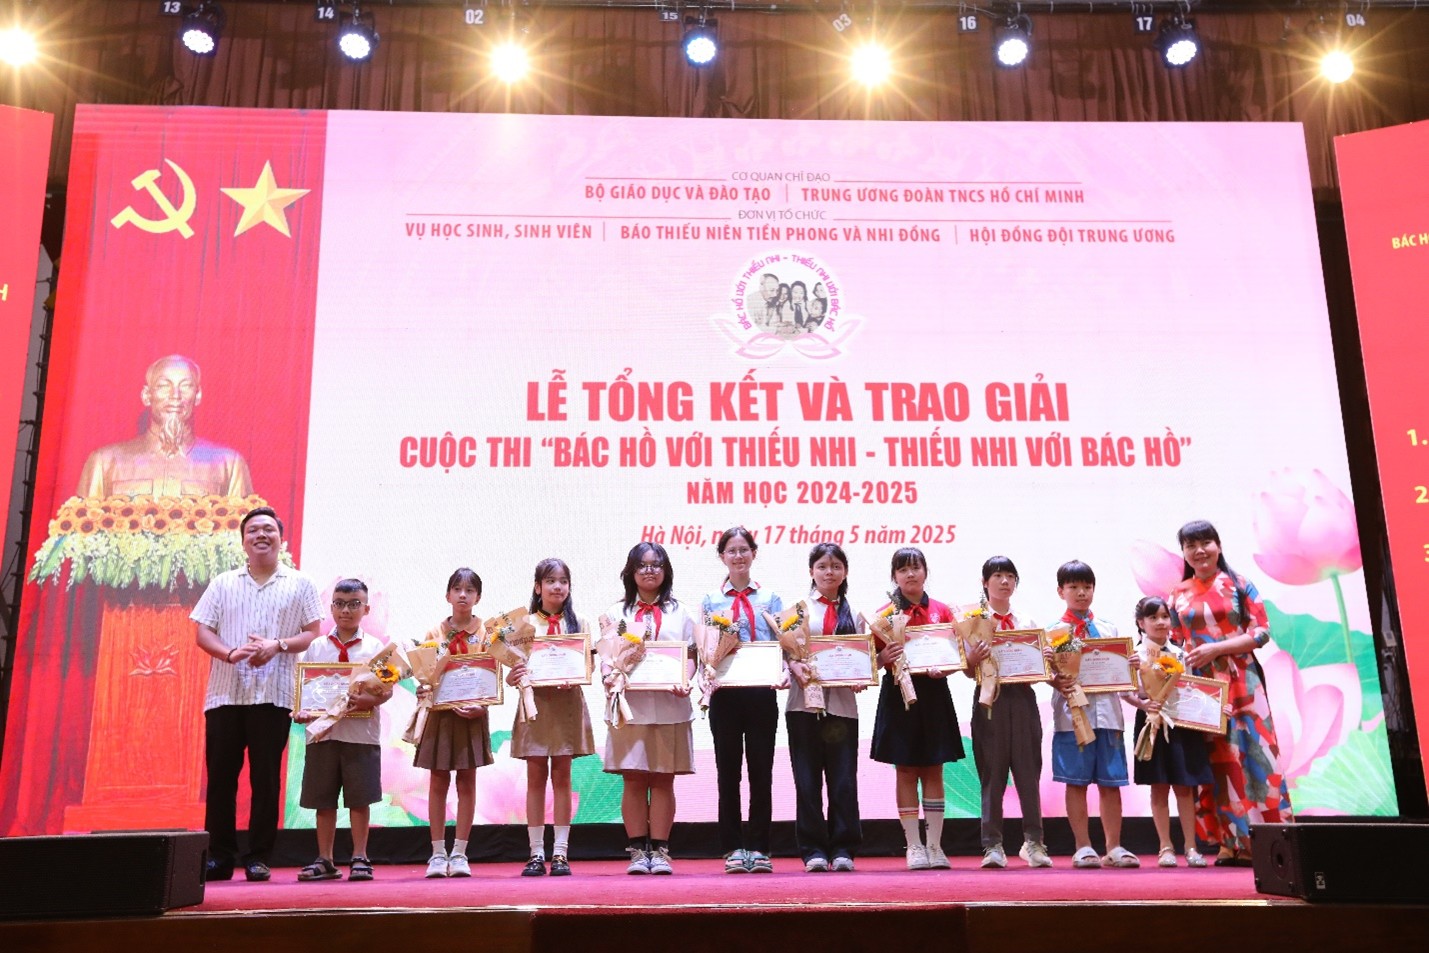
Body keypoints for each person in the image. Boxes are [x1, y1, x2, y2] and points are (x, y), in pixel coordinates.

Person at [191, 506, 323, 881]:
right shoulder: (222, 583)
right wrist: (230, 653)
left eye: (268, 529)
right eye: (253, 530)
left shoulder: (300, 583)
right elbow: (202, 632)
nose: (261, 535)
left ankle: (259, 856)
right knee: (221, 779)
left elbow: (312, 632)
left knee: (265, 780)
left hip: (273, 695)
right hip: (225, 694)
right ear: (243, 541)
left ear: (281, 538)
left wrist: (277, 645)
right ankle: (219, 856)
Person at [1167, 520, 1292, 866]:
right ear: (1184, 553)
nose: (1199, 551)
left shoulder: (1239, 584)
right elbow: (1174, 642)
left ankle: (1267, 840)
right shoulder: (1178, 594)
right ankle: (1228, 842)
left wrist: (1217, 648)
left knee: (1256, 754)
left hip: (1243, 683)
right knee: (1216, 761)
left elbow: (1261, 633)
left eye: (1205, 543)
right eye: (1191, 545)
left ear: (1218, 546)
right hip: (1202, 687)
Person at [601, 542, 698, 875]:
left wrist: (686, 679)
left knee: (663, 780)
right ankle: (637, 852)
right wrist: (610, 677)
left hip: (671, 706)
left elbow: (692, 656)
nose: (649, 570)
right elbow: (607, 658)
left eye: (656, 564)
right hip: (630, 708)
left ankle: (660, 851)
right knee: (633, 779)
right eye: (642, 565)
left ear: (666, 570)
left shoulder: (681, 612)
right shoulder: (617, 614)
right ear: (630, 572)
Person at [869, 547, 964, 870]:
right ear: (894, 576)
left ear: (925, 571)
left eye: (916, 567)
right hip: (898, 695)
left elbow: (955, 655)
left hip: (934, 693)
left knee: (935, 768)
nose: (910, 574)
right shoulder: (883, 615)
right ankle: (913, 846)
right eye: (903, 569)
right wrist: (883, 658)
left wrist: (945, 668)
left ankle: (935, 846)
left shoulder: (943, 611)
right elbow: (872, 661)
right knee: (906, 770)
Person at [701, 527, 785, 874]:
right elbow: (707, 647)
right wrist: (706, 672)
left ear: (754, 553)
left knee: (761, 772)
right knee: (728, 773)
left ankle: (760, 847)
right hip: (726, 695)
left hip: (762, 692)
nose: (738, 556)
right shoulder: (710, 600)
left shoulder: (771, 598)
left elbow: (783, 642)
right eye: (731, 551)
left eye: (744, 550)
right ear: (722, 556)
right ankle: (733, 847)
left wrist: (782, 670)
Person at [292, 578, 385, 882]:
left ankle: (360, 856)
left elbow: (385, 690)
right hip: (323, 734)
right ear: (331, 607)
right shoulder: (317, 647)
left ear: (366, 608)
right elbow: (305, 689)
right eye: (340, 604)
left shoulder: (375, 648)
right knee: (323, 799)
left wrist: (370, 700)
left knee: (360, 798)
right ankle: (325, 860)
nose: (346, 610)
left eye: (354, 604)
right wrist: (301, 710)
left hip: (361, 735)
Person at [1049, 560, 1140, 869]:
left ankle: (1113, 847)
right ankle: (1083, 847)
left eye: (1087, 587)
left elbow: (1123, 675)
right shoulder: (1051, 633)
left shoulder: (1109, 630)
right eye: (1073, 587)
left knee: (1111, 782)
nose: (1081, 593)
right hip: (1072, 716)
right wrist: (1052, 675)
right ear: (1061, 591)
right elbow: (1046, 675)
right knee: (1075, 782)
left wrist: (1132, 667)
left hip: (1109, 716)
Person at [508, 558, 596, 877]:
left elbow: (589, 666)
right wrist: (514, 677)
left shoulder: (580, 622)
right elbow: (513, 670)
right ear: (538, 587)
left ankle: (560, 853)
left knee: (562, 777)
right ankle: (535, 853)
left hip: (566, 704)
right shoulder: (523, 624)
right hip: (535, 706)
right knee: (535, 778)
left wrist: (577, 674)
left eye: (563, 581)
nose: (557, 587)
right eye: (550, 581)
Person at [963, 556, 1052, 870]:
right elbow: (967, 671)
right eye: (998, 575)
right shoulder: (973, 621)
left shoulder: (1026, 622)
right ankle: (993, 845)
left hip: (1023, 699)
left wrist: (1045, 658)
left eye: (1010, 576)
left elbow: (1039, 672)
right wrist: (973, 658)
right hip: (990, 700)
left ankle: (1034, 843)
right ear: (984, 582)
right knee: (992, 773)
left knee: (1028, 773)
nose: (1004, 581)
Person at [787, 543, 864, 872]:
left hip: (843, 708)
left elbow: (863, 659)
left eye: (835, 566)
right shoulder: (796, 612)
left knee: (843, 780)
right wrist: (794, 666)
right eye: (822, 566)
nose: (828, 572)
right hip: (803, 707)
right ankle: (813, 850)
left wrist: (861, 676)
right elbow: (786, 655)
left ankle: (844, 848)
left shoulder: (855, 614)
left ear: (844, 572)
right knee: (807, 781)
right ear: (811, 571)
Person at [77, 354, 252, 498]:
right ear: (147, 395)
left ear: (198, 395)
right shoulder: (105, 462)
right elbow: (82, 526)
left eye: (186, 386)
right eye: (163, 386)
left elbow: (242, 527)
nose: (175, 395)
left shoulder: (228, 464)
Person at [416, 567, 493, 879]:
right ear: (447, 595)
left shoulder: (488, 634)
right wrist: (424, 689)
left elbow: (492, 677)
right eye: (457, 589)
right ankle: (437, 854)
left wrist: (481, 706)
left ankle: (460, 853)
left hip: (473, 716)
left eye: (469, 590)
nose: (463, 595)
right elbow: (425, 677)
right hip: (440, 717)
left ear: (478, 597)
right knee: (437, 781)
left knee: (467, 781)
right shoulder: (433, 633)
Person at [1126, 596, 1212, 868]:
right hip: (1151, 723)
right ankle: (1165, 847)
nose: (1160, 622)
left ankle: (1191, 847)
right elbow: (1124, 691)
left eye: (1164, 616)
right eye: (1153, 617)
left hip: (1181, 725)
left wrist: (1216, 708)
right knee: (1159, 786)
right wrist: (1142, 704)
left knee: (1185, 788)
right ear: (1141, 623)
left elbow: (1192, 690)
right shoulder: (1134, 656)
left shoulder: (1180, 654)